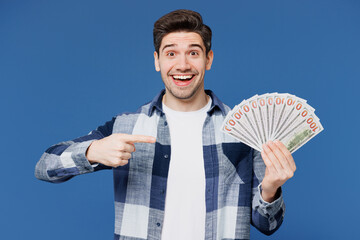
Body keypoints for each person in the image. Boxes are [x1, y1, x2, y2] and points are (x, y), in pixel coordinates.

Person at [35, 9, 296, 240]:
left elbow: (268, 224)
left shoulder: (243, 130)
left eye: (193, 53)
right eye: (171, 53)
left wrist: (271, 189)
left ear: (208, 59)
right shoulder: (126, 126)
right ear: (157, 61)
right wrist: (92, 152)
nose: (182, 65)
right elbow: (45, 166)